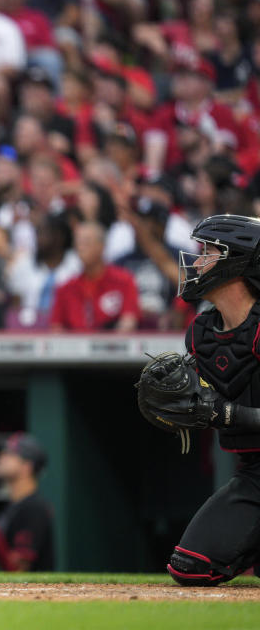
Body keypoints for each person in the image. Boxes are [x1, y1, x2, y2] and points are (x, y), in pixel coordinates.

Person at [146, 214, 260, 585]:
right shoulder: (202, 332)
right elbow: (209, 406)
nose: (196, 263)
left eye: (208, 252)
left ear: (239, 261)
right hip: (254, 476)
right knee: (189, 566)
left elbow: (226, 413)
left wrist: (227, 415)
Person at [50, 222, 140, 332]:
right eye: (78, 243)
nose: (80, 248)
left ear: (101, 246)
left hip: (112, 347)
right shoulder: (65, 288)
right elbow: (56, 329)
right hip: (74, 347)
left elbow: (128, 322)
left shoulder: (124, 281)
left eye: (86, 242)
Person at [0, 433, 55, 572]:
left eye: (9, 453)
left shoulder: (34, 508)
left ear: (27, 466)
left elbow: (19, 567)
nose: (0, 457)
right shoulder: (14, 506)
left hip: (33, 593)